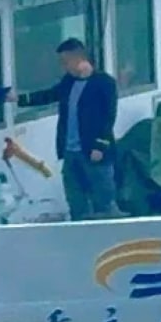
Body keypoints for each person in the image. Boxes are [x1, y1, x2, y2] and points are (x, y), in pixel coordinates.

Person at [51, 38, 119, 220]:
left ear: (77, 59)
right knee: (75, 198)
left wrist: (100, 146)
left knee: (102, 198)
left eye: (65, 62)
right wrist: (20, 99)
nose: (64, 67)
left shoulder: (104, 83)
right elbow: (50, 94)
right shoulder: (68, 82)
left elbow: (109, 116)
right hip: (71, 150)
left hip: (93, 150)